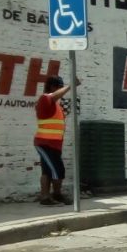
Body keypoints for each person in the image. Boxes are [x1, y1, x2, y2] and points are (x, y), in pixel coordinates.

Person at [34, 75, 75, 206]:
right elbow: (52, 96)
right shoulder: (45, 99)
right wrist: (70, 86)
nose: (61, 90)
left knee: (48, 171)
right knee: (57, 170)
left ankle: (48, 196)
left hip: (53, 144)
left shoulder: (55, 105)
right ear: (53, 87)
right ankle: (53, 195)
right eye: (59, 87)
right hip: (45, 143)